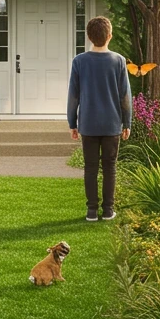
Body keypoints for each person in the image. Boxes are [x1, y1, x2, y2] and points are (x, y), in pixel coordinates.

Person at [67, 16, 131, 222]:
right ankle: (108, 210)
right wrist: (127, 122)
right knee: (110, 167)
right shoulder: (119, 61)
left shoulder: (79, 61)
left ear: (89, 37)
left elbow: (73, 95)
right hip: (112, 124)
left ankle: (91, 211)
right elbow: (125, 96)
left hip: (88, 124)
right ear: (109, 36)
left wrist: (72, 123)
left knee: (91, 167)